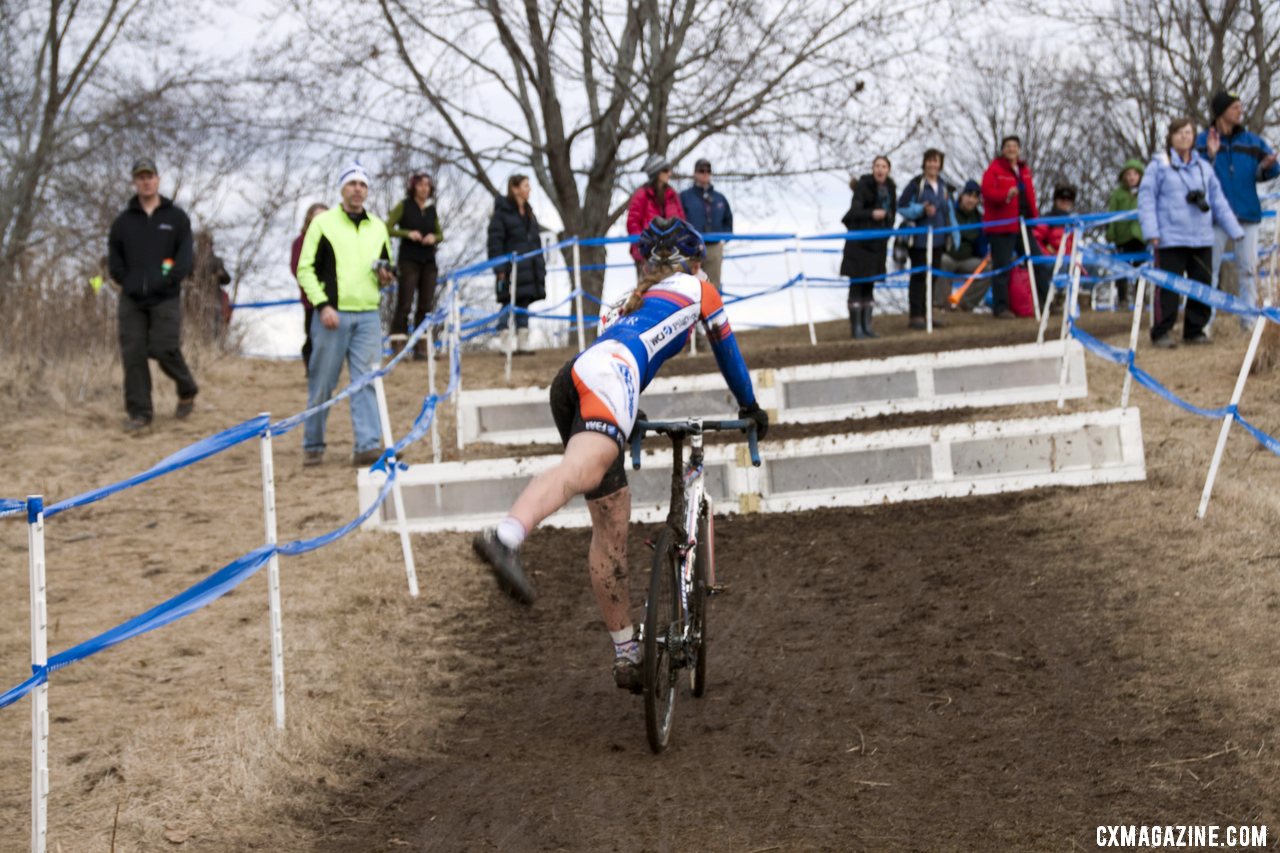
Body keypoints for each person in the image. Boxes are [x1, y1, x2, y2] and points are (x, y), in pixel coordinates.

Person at [471, 217, 769, 691]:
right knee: (579, 472)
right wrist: (751, 406)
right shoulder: (698, 288)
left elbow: (611, 354)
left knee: (611, 520)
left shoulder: (620, 305)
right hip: (612, 379)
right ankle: (506, 536)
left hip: (577, 377)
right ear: (694, 261)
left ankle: (628, 652)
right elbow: (728, 353)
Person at [295, 160, 394, 466]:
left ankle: (366, 445)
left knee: (366, 380)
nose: (357, 189)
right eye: (352, 184)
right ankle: (313, 443)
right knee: (323, 382)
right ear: (342, 188)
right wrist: (322, 305)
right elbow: (304, 269)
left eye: (363, 184)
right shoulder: (322, 224)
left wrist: (386, 276)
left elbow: (386, 265)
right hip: (331, 316)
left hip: (367, 315)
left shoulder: (378, 226)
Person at [106, 157, 199, 432]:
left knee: (163, 348)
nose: (146, 181)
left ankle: (187, 388)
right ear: (135, 182)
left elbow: (185, 256)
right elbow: (114, 261)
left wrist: (170, 280)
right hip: (132, 299)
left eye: (150, 176)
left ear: (157, 179)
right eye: (140, 177)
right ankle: (140, 414)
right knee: (133, 354)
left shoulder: (176, 218)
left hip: (166, 296)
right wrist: (127, 281)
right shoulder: (123, 222)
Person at [1138, 118, 1243, 348]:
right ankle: (1162, 331)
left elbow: (1217, 200)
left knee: (1202, 285)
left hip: (1202, 237)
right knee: (1168, 288)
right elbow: (1146, 200)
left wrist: (1234, 230)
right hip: (1170, 238)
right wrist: (1152, 232)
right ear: (1171, 137)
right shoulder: (1158, 165)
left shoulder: (1203, 167)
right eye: (1179, 133)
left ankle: (1195, 330)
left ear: (1194, 137)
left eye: (1188, 133)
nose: (1184, 137)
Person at [1196, 91, 1280, 329]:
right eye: (1235, 107)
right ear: (1221, 111)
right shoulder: (1202, 141)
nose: (1240, 111)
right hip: (1214, 217)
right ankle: (1205, 323)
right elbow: (1195, 173)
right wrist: (1211, 156)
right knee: (1208, 271)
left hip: (1248, 214)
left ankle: (1249, 320)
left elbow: (1269, 171)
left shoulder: (1253, 141)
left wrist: (1268, 167)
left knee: (1249, 270)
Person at [486, 174, 547, 354]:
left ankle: (523, 343)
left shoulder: (529, 213)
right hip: (508, 269)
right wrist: (499, 268)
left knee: (523, 303)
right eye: (526, 185)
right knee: (507, 302)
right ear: (515, 188)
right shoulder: (501, 214)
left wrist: (539, 267)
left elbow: (536, 242)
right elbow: (494, 242)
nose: (529, 189)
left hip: (529, 268)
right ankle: (502, 339)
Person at [386, 172, 444, 358]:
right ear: (413, 187)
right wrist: (407, 234)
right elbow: (386, 228)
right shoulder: (404, 206)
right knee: (405, 302)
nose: (424, 188)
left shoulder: (431, 209)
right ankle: (398, 343)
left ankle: (422, 345)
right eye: (420, 185)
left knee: (426, 304)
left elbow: (440, 234)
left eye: (427, 185)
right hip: (408, 259)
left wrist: (433, 237)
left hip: (429, 260)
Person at [981, 135, 1039, 319]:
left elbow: (1031, 196)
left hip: (1023, 225)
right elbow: (988, 192)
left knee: (1038, 261)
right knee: (1002, 268)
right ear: (1003, 149)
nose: (1012, 149)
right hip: (1002, 227)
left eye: (1015, 146)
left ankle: (1043, 301)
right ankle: (1001, 308)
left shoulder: (1025, 170)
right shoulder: (994, 169)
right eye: (1008, 146)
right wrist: (1006, 194)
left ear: (1019, 149)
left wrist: (1034, 218)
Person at [898, 149, 955, 329]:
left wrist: (954, 234)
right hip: (919, 240)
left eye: (936, 161)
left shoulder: (944, 186)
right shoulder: (916, 184)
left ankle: (928, 314)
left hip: (939, 239)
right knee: (919, 277)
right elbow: (902, 207)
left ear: (940, 164)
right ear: (924, 163)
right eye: (929, 161)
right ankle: (916, 316)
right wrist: (921, 209)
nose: (932, 164)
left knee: (933, 278)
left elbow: (950, 211)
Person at [840, 156, 896, 338]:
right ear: (873, 168)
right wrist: (873, 214)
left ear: (888, 170)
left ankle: (867, 326)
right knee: (857, 286)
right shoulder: (863, 186)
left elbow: (892, 215)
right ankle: (856, 329)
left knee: (869, 286)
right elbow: (854, 212)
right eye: (877, 166)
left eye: (884, 166)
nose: (880, 169)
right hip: (858, 245)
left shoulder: (891, 189)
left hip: (877, 245)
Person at [679, 158, 733, 286]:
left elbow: (728, 220)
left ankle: (712, 306)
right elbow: (678, 220)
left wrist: (723, 238)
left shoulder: (720, 198)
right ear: (695, 173)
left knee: (712, 286)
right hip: (691, 248)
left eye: (708, 171)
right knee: (688, 285)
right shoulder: (684, 197)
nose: (705, 173)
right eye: (701, 170)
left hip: (714, 247)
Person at [626, 154, 686, 271]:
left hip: (671, 251)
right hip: (649, 254)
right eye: (665, 170)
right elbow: (633, 223)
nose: (669, 173)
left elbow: (681, 220)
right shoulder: (641, 195)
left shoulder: (672, 194)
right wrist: (643, 247)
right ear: (656, 173)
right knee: (649, 287)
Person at [291, 203, 329, 374]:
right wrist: (310, 285)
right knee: (312, 333)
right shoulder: (301, 241)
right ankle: (310, 365)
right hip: (310, 297)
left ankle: (324, 368)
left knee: (327, 336)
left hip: (331, 296)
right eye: (317, 215)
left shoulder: (332, 239)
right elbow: (296, 267)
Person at [1105, 160, 1146, 307]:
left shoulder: (1146, 191)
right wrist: (1111, 233)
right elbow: (1112, 214)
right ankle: (1122, 299)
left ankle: (1140, 297)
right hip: (1122, 237)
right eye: (1128, 174)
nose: (1131, 177)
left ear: (1140, 175)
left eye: (1135, 173)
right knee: (1121, 268)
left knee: (1142, 267)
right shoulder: (1117, 194)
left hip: (1141, 237)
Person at [946, 180, 990, 311]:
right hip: (949, 256)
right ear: (962, 196)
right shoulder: (950, 212)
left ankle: (964, 305)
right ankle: (940, 305)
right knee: (941, 262)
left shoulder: (979, 219)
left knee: (987, 270)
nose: (971, 200)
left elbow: (981, 244)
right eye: (968, 195)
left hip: (968, 260)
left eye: (975, 197)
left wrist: (986, 255)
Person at [1031, 184, 1078, 306]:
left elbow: (1075, 244)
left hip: (1069, 259)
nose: (1065, 202)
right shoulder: (1048, 219)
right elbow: (1035, 239)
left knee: (1089, 267)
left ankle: (1081, 299)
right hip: (1050, 260)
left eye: (1069, 200)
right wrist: (1049, 252)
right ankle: (1056, 297)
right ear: (1055, 200)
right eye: (1062, 199)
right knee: (1062, 265)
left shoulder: (1073, 222)